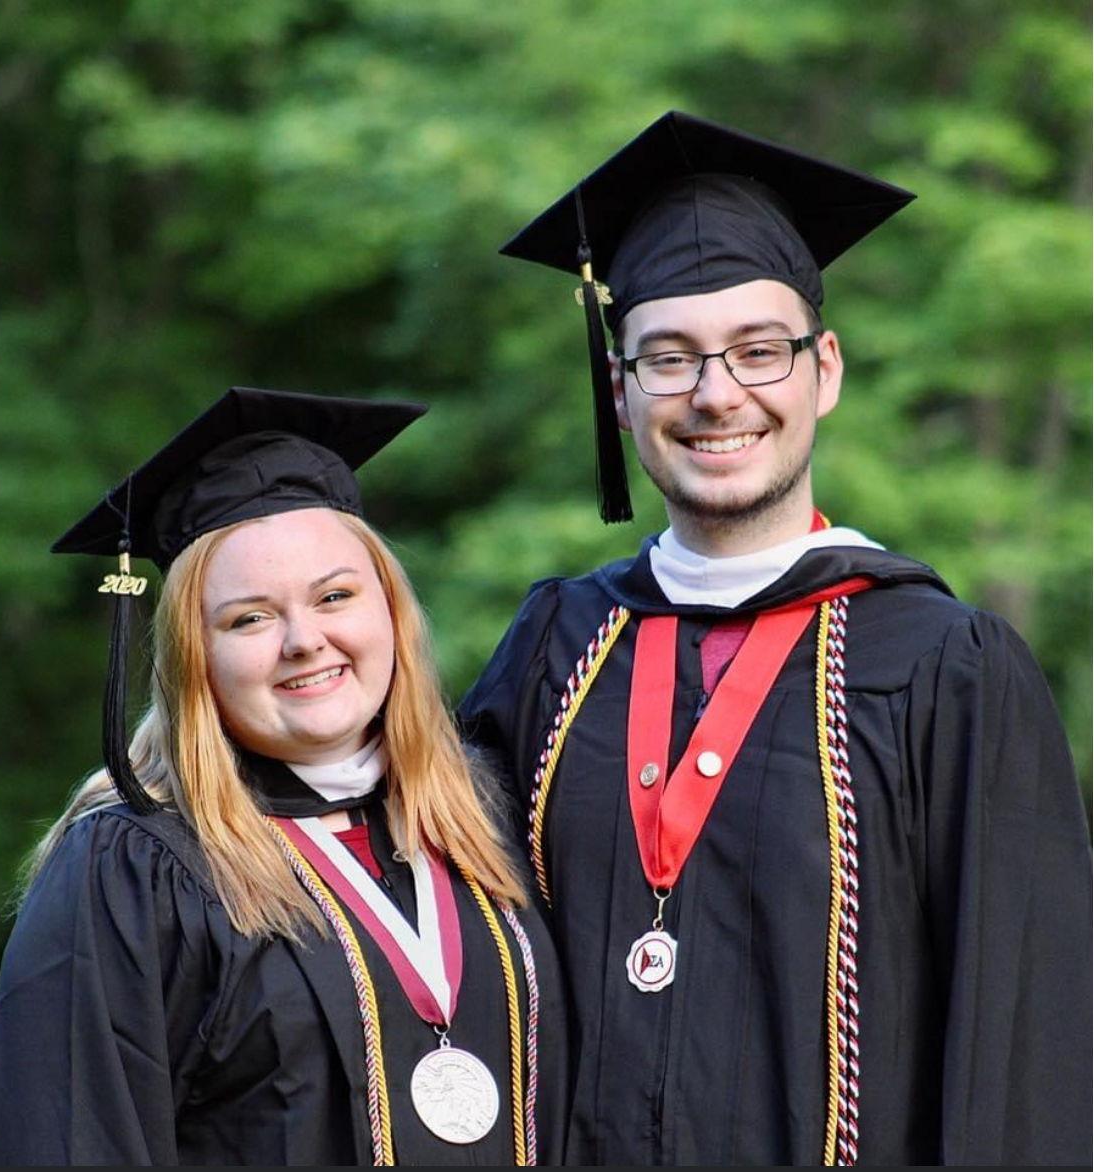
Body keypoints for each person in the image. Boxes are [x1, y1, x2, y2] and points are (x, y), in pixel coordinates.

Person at [458, 111, 1092, 1166]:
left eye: (758, 351)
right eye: (668, 359)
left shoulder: (945, 666)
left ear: (823, 370)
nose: (716, 395)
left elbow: (1022, 1037)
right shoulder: (552, 648)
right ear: (619, 392)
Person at [0, 386, 569, 1166]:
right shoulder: (136, 870)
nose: (303, 640)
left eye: (334, 596)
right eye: (249, 618)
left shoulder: (489, 814)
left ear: (391, 610)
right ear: (194, 658)